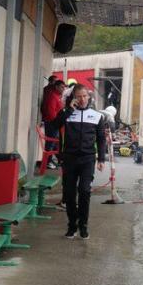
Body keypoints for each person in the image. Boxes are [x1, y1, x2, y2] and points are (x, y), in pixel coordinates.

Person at [47, 84, 106, 239]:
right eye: (79, 96)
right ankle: (72, 225)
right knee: (70, 193)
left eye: (84, 96)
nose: (82, 99)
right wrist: (68, 109)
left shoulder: (97, 116)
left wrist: (101, 159)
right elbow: (54, 126)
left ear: (89, 97)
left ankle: (83, 225)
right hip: (70, 158)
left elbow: (101, 139)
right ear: (74, 97)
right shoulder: (67, 113)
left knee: (85, 191)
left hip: (87, 159)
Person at [41, 79, 66, 167]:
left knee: (55, 143)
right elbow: (51, 112)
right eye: (61, 87)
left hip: (56, 123)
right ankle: (47, 162)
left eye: (64, 87)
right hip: (52, 123)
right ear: (56, 87)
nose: (63, 89)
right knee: (50, 143)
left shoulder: (58, 96)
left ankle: (54, 160)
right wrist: (56, 122)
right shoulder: (53, 96)